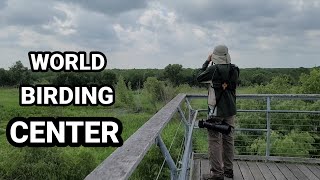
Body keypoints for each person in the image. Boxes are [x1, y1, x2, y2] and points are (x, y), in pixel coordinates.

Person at [197, 45, 239, 180]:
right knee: (228, 140)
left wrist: (207, 61)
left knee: (214, 140)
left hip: (216, 110)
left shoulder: (213, 69)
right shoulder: (235, 69)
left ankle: (217, 174)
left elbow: (199, 77)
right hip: (230, 110)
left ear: (215, 56)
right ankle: (228, 171)